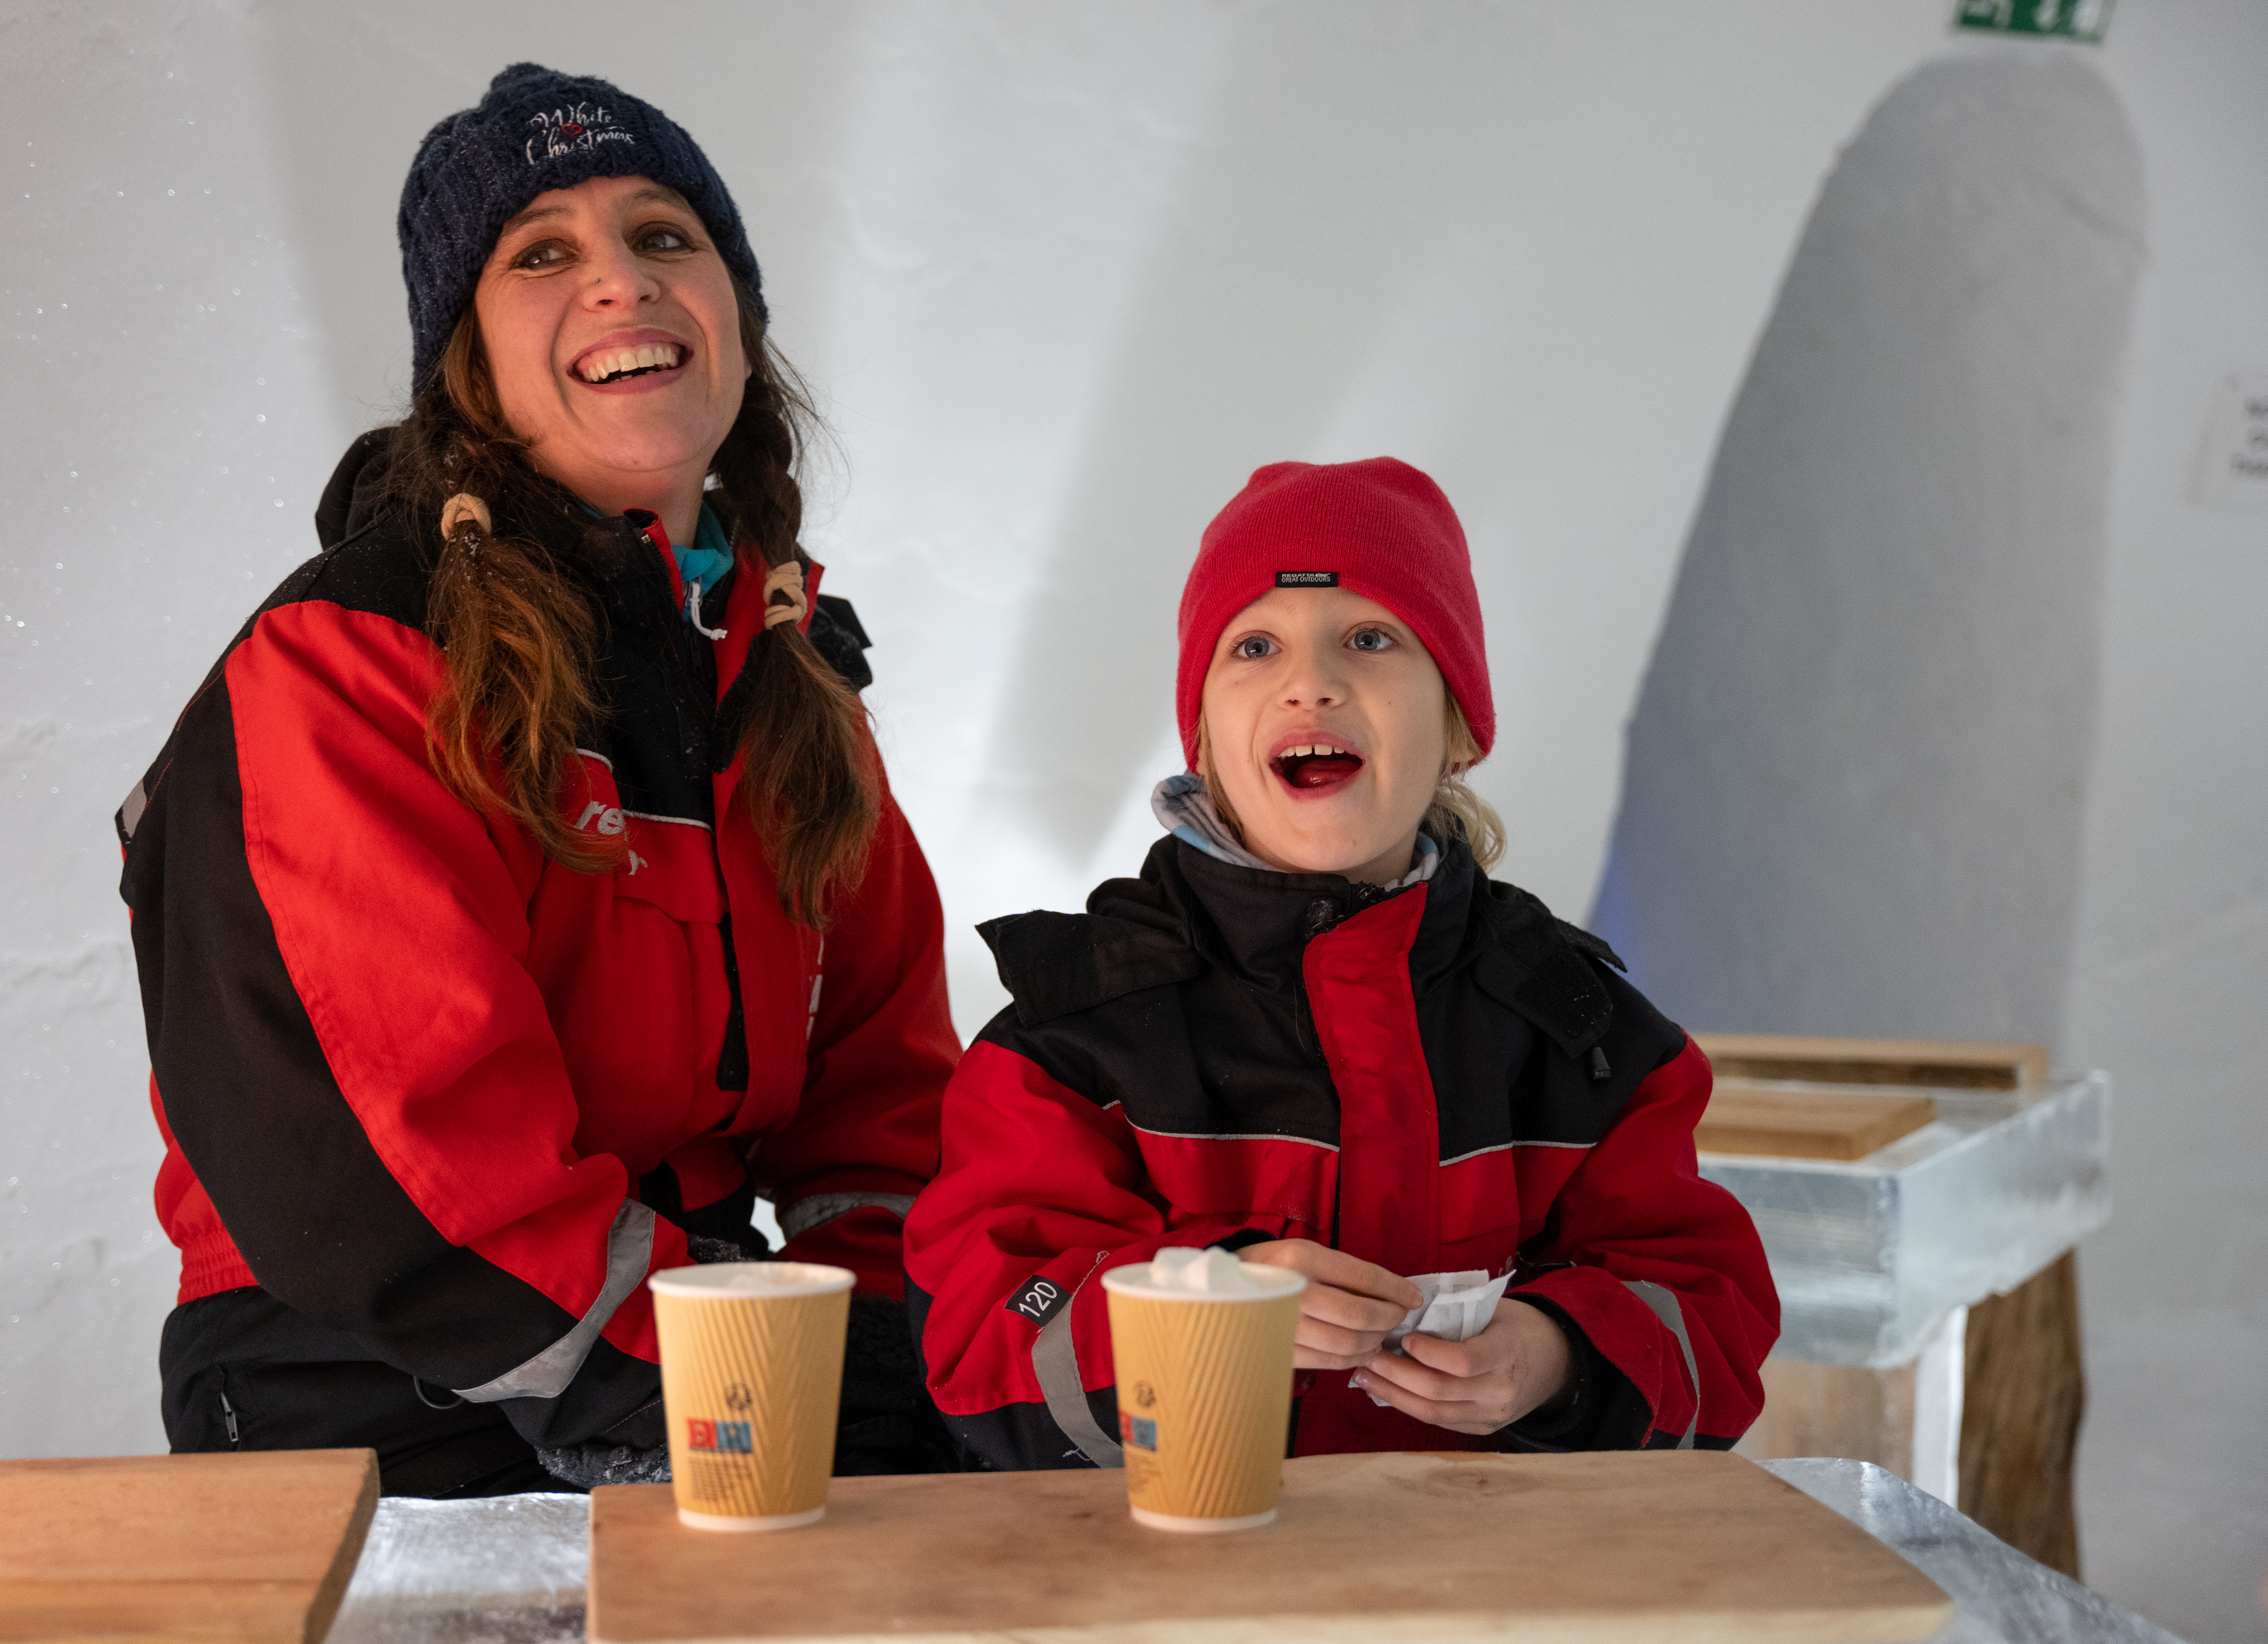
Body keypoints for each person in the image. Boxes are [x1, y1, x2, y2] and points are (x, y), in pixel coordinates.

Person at [118, 65, 961, 1496]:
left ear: (738, 323)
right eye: (544, 254)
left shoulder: (786, 678)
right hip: (366, 1387)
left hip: (697, 1346)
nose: (622, 282)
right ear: (469, 365)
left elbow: (881, 1097)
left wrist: (881, 1344)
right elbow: (393, 1167)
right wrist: (715, 1380)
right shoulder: (352, 664)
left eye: (665, 235)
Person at [905, 458, 1779, 1467]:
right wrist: (1200, 1316)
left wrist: (1557, 1355)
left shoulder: (1582, 1034)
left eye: (1372, 639)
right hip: (1172, 1602)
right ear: (1207, 737)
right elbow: (977, 1344)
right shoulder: (1076, 1035)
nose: (1310, 680)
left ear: (1457, 726)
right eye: (1255, 645)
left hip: (1482, 1605)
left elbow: (1711, 1312)